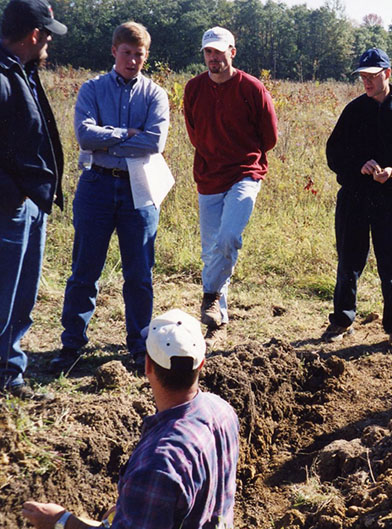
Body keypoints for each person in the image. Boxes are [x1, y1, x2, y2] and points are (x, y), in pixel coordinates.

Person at [22, 309, 240, 529]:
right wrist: (134, 507)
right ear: (201, 364)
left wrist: (61, 521)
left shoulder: (158, 465)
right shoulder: (222, 411)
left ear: (148, 366)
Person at [50, 22, 169, 373]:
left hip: (139, 187)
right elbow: (85, 136)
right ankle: (71, 345)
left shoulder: (154, 94)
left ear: (146, 56)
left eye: (140, 55)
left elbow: (154, 142)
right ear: (114, 51)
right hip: (96, 186)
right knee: (84, 271)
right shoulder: (92, 88)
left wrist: (110, 137)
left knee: (139, 273)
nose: (133, 60)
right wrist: (126, 133)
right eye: (127, 52)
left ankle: (138, 345)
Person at [323, 48, 392, 353]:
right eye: (363, 77)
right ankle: (342, 321)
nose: (367, 82)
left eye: (372, 76)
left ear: (387, 73)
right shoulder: (353, 111)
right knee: (348, 263)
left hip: (391, 202)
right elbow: (334, 154)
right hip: (354, 198)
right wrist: (360, 165)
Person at [183, 26, 278, 331]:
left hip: (245, 173)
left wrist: (243, 157)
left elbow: (270, 137)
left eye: (219, 52)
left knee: (228, 237)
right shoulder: (193, 89)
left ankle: (209, 295)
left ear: (232, 52)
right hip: (208, 175)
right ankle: (218, 313)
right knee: (211, 247)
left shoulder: (252, 88)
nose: (213, 58)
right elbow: (194, 133)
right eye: (208, 52)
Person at [0, 0, 66, 400]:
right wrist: (12, 193)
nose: (49, 47)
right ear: (35, 35)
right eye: (47, 38)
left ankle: (9, 373)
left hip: (28, 204)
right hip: (8, 208)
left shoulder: (21, 70)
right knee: (3, 296)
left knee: (21, 297)